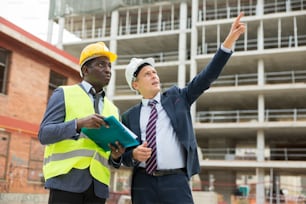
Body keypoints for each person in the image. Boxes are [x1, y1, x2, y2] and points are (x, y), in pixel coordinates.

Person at [121, 13, 246, 204]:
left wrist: (228, 43)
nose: (155, 76)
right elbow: (124, 154)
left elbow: (206, 77)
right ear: (135, 85)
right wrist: (134, 154)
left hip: (176, 181)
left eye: (155, 72)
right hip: (143, 182)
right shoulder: (129, 116)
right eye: (147, 74)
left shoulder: (178, 98)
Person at [38, 42, 125, 204]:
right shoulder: (64, 93)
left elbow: (110, 155)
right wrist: (78, 124)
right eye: (101, 64)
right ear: (85, 70)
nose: (108, 70)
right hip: (66, 181)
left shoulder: (113, 109)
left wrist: (116, 156)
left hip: (98, 187)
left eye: (109, 66)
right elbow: (44, 134)